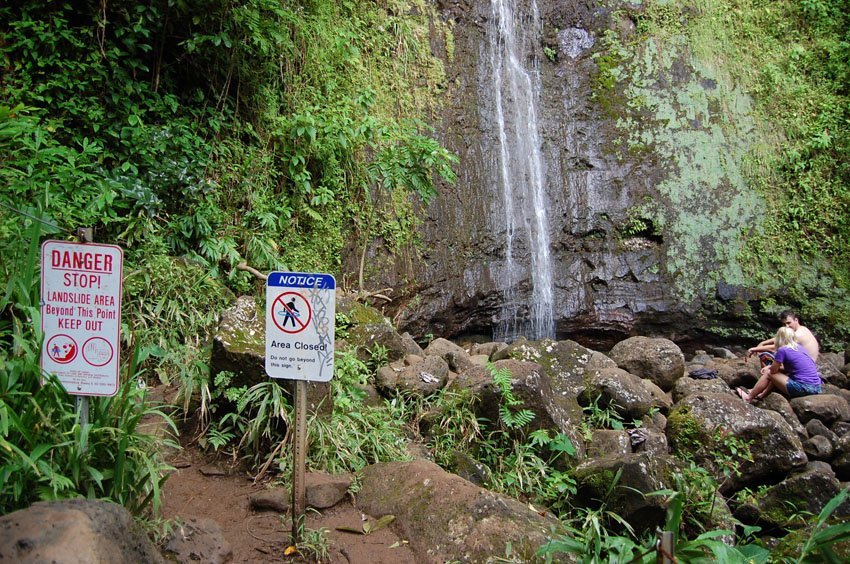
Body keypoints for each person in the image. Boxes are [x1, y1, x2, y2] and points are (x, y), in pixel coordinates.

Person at [737, 326, 822, 402]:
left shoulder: (783, 350)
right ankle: (762, 395)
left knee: (768, 373)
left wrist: (769, 368)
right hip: (817, 387)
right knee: (777, 373)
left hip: (803, 387)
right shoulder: (800, 348)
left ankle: (748, 398)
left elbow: (773, 371)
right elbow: (790, 369)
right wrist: (772, 367)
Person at [746, 309, 820, 365]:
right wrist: (763, 343)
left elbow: (776, 347)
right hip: (805, 363)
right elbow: (781, 339)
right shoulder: (802, 328)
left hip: (805, 366)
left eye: (788, 323)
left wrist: (754, 349)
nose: (787, 326)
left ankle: (769, 377)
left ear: (796, 320)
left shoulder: (799, 334)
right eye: (784, 324)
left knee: (766, 355)